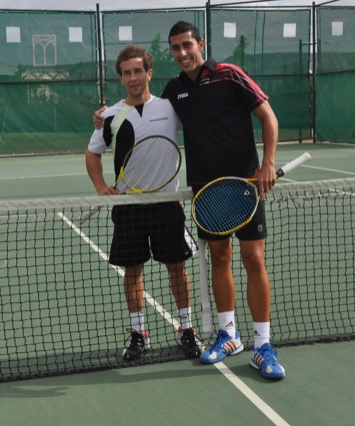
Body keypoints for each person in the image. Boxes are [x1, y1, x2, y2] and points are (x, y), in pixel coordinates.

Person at [93, 22, 285, 379]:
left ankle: (263, 345)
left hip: (245, 185)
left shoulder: (230, 75)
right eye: (175, 48)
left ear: (201, 44)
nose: (182, 53)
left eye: (187, 45)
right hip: (206, 190)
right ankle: (228, 335)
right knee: (220, 258)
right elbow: (143, 110)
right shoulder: (174, 91)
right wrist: (106, 115)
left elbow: (268, 117)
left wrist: (269, 163)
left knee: (254, 259)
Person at [85, 44, 204, 361]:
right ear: (121, 78)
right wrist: (100, 186)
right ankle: (139, 334)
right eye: (127, 73)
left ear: (149, 73)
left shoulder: (170, 107)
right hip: (128, 207)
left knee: (177, 268)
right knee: (133, 271)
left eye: (138, 71)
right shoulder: (110, 116)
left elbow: (201, 122)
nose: (133, 77)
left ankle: (186, 329)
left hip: (167, 203)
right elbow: (92, 153)